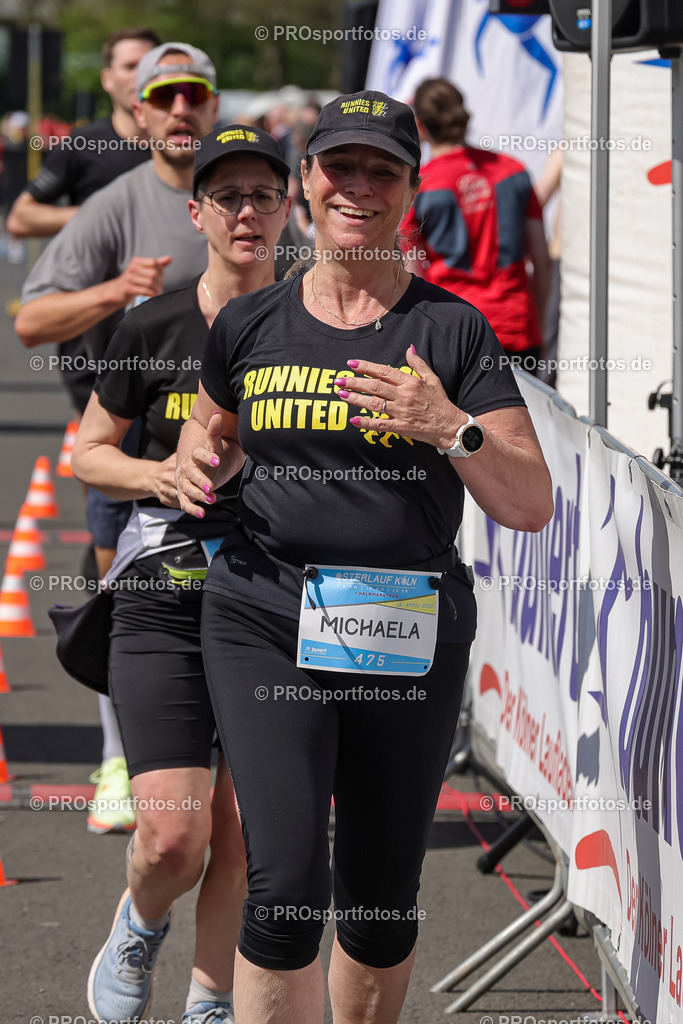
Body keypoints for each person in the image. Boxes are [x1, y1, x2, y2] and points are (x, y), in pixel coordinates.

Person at [175, 89, 554, 1023]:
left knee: (380, 902)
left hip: (402, 625)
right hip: (261, 613)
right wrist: (195, 456)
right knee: (286, 887)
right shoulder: (250, 324)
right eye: (336, 166)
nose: (356, 186)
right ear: (305, 183)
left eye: (380, 170)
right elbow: (212, 428)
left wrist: (448, 427)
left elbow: (531, 501)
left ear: (411, 193)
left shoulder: (452, 330)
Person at [71, 124, 292, 1024]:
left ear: (290, 210)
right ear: (194, 211)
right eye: (227, 196)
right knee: (172, 835)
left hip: (277, 596)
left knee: (242, 833)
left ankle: (210, 1001)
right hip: (165, 593)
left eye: (263, 196)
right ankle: (139, 920)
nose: (246, 211)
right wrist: (155, 474)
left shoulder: (314, 322)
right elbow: (87, 452)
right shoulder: (150, 326)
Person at [15, 41, 219, 834]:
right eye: (162, 96)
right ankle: (114, 759)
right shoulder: (114, 201)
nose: (177, 110)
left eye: (192, 95)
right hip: (126, 443)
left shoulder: (246, 197)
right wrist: (117, 291)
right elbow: (31, 320)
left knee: (230, 609)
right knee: (124, 605)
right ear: (138, 109)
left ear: (210, 105)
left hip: (239, 457)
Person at [9, 26, 161, 836]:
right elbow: (25, 214)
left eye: (171, 77)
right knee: (126, 588)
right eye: (136, 71)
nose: (156, 90)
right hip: (106, 394)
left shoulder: (212, 167)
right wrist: (101, 243)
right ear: (110, 79)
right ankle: (118, 758)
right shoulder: (92, 157)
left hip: (212, 421)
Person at [402, 77, 552, 375]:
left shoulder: (419, 188)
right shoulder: (514, 171)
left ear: (420, 126)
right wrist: (538, 325)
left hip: (452, 329)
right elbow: (542, 261)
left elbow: (412, 271)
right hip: (516, 328)